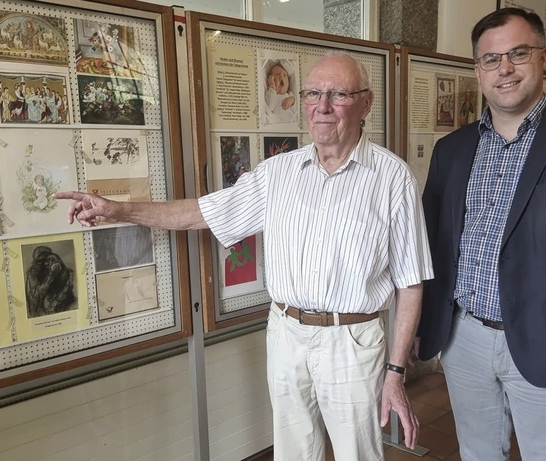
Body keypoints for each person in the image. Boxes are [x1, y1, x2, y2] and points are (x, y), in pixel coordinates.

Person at [55, 53, 433, 460]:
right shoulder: (279, 173)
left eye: (338, 94)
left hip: (353, 340)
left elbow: (410, 283)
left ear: (365, 103)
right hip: (287, 333)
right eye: (312, 93)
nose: (322, 106)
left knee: (356, 453)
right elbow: (201, 212)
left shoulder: (393, 180)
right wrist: (118, 209)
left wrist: (395, 372)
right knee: (293, 452)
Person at [417, 8, 546, 461]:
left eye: (517, 54)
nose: (504, 69)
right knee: (478, 453)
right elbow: (434, 248)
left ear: (542, 57)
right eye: (490, 59)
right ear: (477, 70)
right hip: (463, 337)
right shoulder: (452, 150)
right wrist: (424, 328)